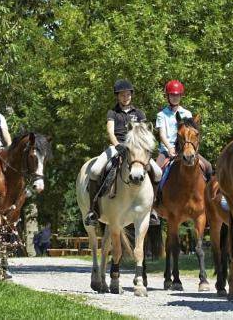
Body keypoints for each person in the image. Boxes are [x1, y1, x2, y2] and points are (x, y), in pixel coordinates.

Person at [84, 79, 162, 226]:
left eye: (128, 94)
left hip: (136, 149)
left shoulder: (139, 113)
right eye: (122, 95)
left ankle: (152, 209)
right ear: (117, 96)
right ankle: (92, 210)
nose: (125, 97)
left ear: (131, 95)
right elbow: (110, 131)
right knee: (95, 170)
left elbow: (143, 132)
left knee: (157, 172)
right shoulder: (112, 113)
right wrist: (117, 145)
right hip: (117, 146)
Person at [155, 80, 213, 177]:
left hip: (185, 148)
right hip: (166, 151)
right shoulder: (161, 115)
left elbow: (192, 134)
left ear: (181, 96)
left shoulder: (187, 113)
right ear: (167, 96)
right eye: (172, 95)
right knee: (156, 172)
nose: (175, 98)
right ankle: (156, 192)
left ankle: (208, 191)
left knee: (208, 166)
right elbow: (162, 134)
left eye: (177, 95)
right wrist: (169, 148)